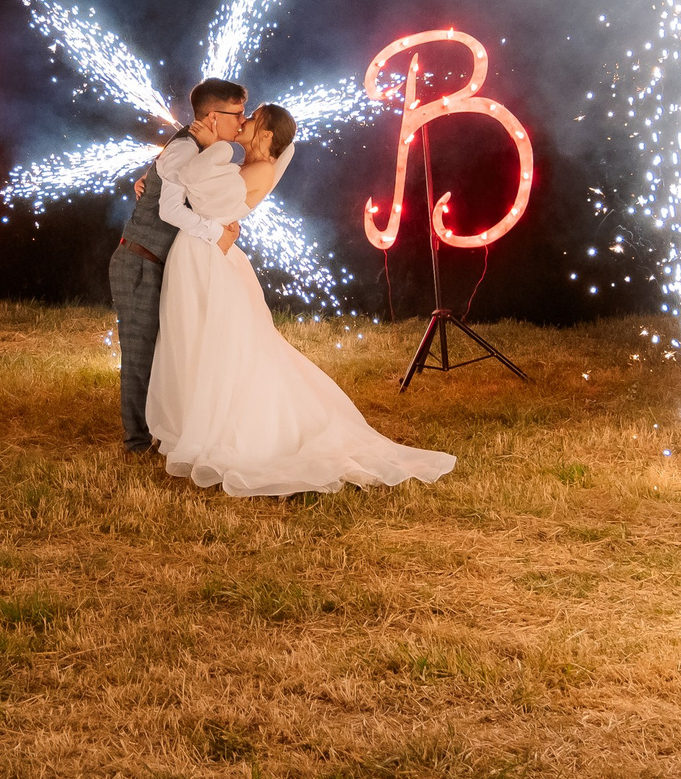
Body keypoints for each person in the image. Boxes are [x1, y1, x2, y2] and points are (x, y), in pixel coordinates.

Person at [145, 103, 457, 497]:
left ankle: (228, 428)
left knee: (223, 346)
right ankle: (192, 419)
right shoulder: (246, 165)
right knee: (196, 340)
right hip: (204, 253)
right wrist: (158, 177)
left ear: (264, 135)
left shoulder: (258, 169)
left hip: (210, 257)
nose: (242, 122)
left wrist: (183, 165)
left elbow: (195, 185)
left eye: (250, 119)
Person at [109, 78, 248, 455]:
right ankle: (137, 444)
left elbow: (171, 184)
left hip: (155, 263)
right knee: (140, 356)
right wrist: (215, 233)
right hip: (139, 262)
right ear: (214, 117)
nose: (243, 122)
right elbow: (169, 209)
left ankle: (160, 433)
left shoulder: (193, 146)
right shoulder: (186, 148)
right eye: (237, 114)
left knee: (164, 353)